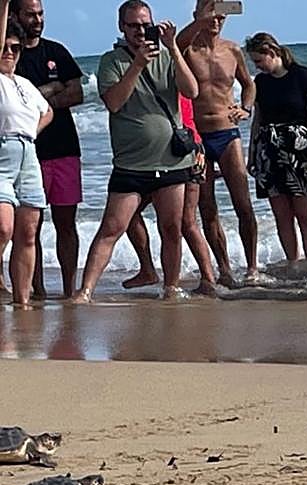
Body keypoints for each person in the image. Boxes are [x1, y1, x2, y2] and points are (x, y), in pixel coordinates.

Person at [73, 0, 199, 303]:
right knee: (112, 228)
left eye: (146, 25)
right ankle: (85, 291)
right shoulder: (111, 61)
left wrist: (173, 47)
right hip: (131, 163)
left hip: (171, 160)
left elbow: (191, 90)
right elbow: (114, 102)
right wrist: (138, 64)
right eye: (133, 26)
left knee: (172, 228)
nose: (141, 31)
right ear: (122, 27)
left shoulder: (167, 56)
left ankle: (171, 287)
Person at [176, 0, 256, 284]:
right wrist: (202, 17)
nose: (216, 20)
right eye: (211, 14)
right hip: (198, 137)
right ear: (197, 15)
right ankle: (224, 270)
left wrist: (246, 108)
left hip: (227, 132)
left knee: (243, 204)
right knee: (207, 207)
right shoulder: (187, 50)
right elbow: (176, 43)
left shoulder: (232, 50)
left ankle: (252, 268)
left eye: (221, 16)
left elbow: (249, 84)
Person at [13, 0, 83, 299]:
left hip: (65, 148)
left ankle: (69, 290)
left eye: (40, 13)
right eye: (30, 14)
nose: (38, 19)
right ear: (16, 15)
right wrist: (53, 89)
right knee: (31, 227)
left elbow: (77, 93)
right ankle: (38, 290)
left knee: (66, 224)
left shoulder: (56, 51)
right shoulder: (11, 55)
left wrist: (38, 102)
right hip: (29, 153)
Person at [121, 92, 219, 296]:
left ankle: (151, 270)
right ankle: (207, 277)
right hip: (189, 144)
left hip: (172, 151)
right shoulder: (179, 80)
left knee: (180, 221)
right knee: (187, 222)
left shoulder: (163, 82)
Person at [245, 31, 307, 275]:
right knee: (282, 214)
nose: (257, 66)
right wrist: (252, 153)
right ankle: (293, 264)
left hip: (299, 151)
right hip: (269, 152)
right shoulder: (261, 83)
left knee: (305, 213)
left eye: (259, 60)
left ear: (272, 52)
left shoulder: (303, 76)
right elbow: (258, 119)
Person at [0, 4, 50, 308]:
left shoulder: (25, 85)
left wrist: (31, 133)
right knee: (3, 227)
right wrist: (4, 5)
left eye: (15, 48)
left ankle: (22, 301)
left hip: (28, 153)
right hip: (2, 153)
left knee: (28, 230)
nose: (9, 53)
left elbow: (48, 111)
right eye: (4, 47)